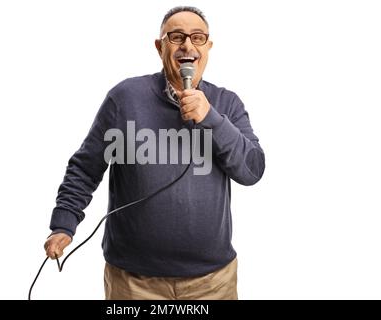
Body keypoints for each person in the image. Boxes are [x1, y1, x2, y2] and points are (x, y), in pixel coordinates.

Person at [44, 6, 265, 300]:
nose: (188, 45)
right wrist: (63, 224)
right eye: (176, 37)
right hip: (134, 283)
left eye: (198, 37)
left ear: (208, 47)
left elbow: (252, 170)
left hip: (212, 282)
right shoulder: (125, 98)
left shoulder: (227, 104)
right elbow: (86, 167)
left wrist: (210, 118)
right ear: (160, 47)